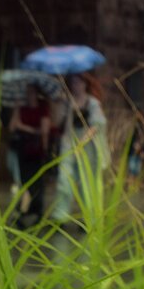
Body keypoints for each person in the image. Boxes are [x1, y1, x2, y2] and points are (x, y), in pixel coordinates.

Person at [50, 73, 108, 226]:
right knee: (64, 179)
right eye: (73, 82)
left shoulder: (92, 103)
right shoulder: (68, 102)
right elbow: (57, 121)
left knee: (86, 183)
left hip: (86, 146)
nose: (76, 85)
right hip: (69, 142)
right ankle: (60, 215)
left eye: (78, 82)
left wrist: (81, 143)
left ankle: (89, 218)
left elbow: (96, 125)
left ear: (84, 84)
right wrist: (59, 102)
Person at [7, 84, 51, 228]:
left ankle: (35, 212)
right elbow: (13, 126)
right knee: (24, 182)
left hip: (37, 150)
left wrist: (26, 128)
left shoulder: (42, 108)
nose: (29, 96)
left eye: (31, 93)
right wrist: (16, 109)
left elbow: (44, 130)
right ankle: (22, 211)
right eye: (27, 93)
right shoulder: (22, 108)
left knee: (37, 183)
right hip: (24, 149)